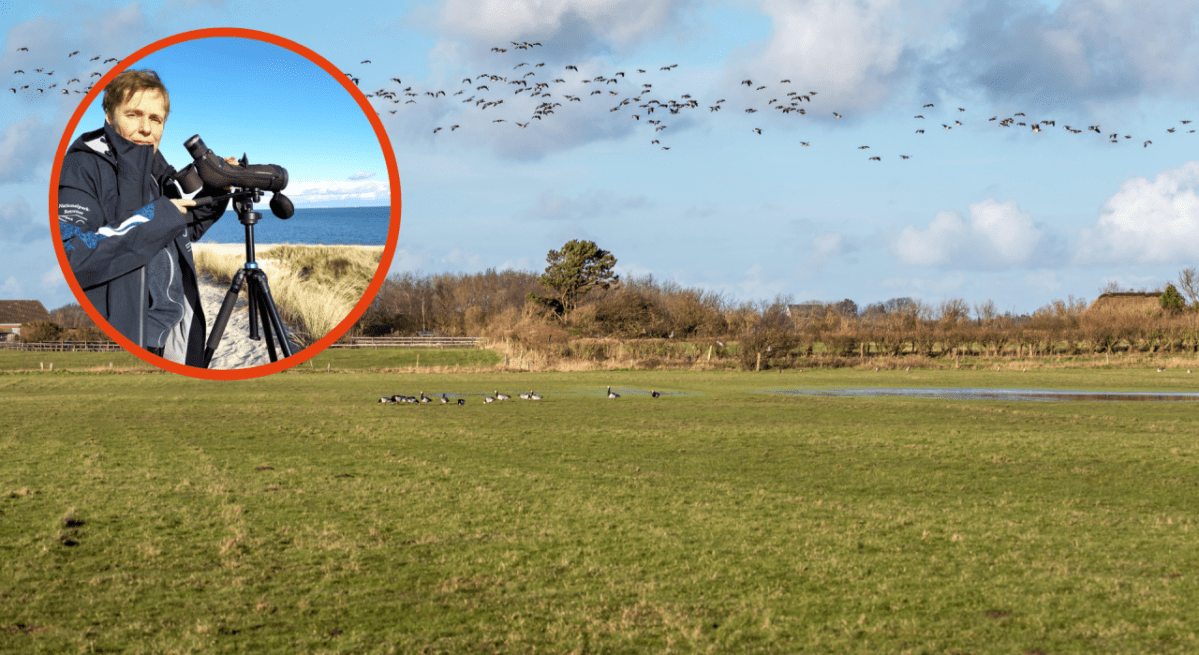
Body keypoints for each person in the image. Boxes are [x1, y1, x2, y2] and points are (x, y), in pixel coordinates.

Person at [58, 69, 235, 367]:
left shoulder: (155, 166)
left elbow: (179, 230)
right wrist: (158, 217)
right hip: (132, 336)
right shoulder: (82, 165)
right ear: (108, 114)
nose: (145, 128)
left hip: (175, 333)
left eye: (156, 119)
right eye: (133, 114)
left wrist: (219, 190)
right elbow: (72, 254)